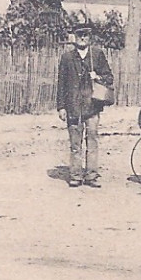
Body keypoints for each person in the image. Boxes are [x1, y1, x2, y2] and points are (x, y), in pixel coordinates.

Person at [55, 19, 114, 188]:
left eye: (85, 34)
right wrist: (61, 107)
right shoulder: (67, 58)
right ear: (74, 37)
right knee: (75, 142)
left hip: (92, 106)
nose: (82, 37)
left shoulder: (97, 55)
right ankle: (75, 175)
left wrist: (98, 77)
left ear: (90, 37)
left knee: (92, 140)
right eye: (79, 34)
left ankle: (91, 175)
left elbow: (110, 78)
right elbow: (61, 84)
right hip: (73, 106)